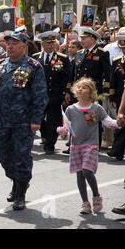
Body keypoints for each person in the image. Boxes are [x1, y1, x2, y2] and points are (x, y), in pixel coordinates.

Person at [0, 30, 48, 210]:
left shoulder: (34, 67)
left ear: (24, 47)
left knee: (21, 157)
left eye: (14, 44)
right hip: (3, 121)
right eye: (8, 43)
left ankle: (20, 194)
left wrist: (36, 120)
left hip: (23, 122)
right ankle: (18, 181)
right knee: (2, 154)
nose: (9, 46)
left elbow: (40, 96)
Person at [58, 78, 120, 214]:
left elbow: (108, 122)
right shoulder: (70, 109)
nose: (80, 89)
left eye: (84, 87)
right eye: (78, 87)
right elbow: (66, 128)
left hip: (90, 145)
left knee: (87, 171)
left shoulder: (96, 108)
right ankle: (85, 203)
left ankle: (96, 196)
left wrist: (118, 123)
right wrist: (62, 131)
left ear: (91, 92)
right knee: (79, 174)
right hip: (76, 146)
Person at [70, 27, 111, 151]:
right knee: (77, 118)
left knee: (92, 118)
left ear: (92, 39)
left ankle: (94, 144)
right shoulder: (80, 53)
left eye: (84, 38)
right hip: (79, 91)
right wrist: (69, 89)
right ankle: (76, 142)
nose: (81, 40)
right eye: (81, 38)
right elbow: (74, 73)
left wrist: (107, 91)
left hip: (94, 91)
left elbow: (107, 73)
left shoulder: (102, 53)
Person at [32, 30, 71, 154]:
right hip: (39, 95)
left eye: (52, 42)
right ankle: (45, 134)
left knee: (53, 120)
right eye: (47, 43)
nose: (50, 45)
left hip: (55, 94)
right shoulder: (35, 58)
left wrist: (66, 91)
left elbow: (67, 77)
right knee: (38, 118)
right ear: (42, 44)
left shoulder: (62, 58)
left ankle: (50, 144)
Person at [107, 29, 125, 161]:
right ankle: (117, 150)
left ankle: (117, 148)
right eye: (122, 47)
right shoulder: (117, 60)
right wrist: (112, 96)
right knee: (121, 122)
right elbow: (113, 80)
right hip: (120, 96)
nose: (124, 50)